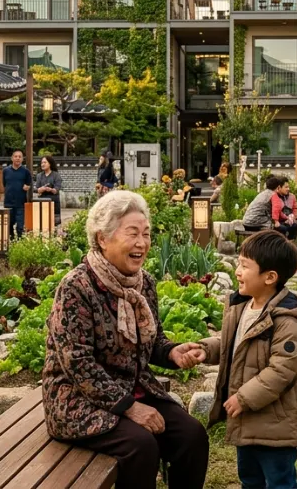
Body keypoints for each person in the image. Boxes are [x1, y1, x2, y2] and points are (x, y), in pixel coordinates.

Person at [42, 191, 209, 489]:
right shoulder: (76, 287)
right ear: (103, 238)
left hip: (133, 390)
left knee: (192, 436)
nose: (142, 243)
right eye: (132, 233)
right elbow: (77, 364)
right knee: (141, 447)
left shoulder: (144, 284)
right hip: (77, 400)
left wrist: (172, 353)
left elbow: (153, 340)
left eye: (146, 234)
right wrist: (129, 407)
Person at [193, 231, 297, 489]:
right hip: (247, 420)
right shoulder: (243, 306)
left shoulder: (288, 322)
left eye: (245, 266)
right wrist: (206, 350)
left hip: (275, 424)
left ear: (270, 277)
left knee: (279, 480)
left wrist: (244, 397)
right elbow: (233, 344)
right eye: (238, 263)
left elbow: (281, 371)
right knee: (249, 478)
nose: (237, 271)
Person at [3, 150, 33, 237]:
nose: (17, 158)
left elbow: (29, 184)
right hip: (8, 203)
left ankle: (20, 243)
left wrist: (27, 187)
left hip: (21, 203)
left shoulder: (26, 171)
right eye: (16, 156)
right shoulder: (6, 171)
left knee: (20, 226)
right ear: (12, 158)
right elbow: (4, 184)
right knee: (9, 225)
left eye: (20, 157)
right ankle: (12, 242)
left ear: (22, 159)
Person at [35, 155, 63, 227]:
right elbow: (36, 189)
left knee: (54, 224)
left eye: (45, 162)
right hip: (42, 201)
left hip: (53, 202)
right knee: (42, 222)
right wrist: (40, 189)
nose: (43, 164)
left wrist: (50, 189)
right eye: (42, 163)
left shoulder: (56, 175)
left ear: (50, 164)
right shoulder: (39, 176)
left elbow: (57, 189)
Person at [270, 177, 297, 241]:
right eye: (286, 187)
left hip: (289, 220)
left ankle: (290, 244)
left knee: (294, 227)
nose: (288, 189)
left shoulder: (292, 196)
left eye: (288, 187)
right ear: (279, 187)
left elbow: (295, 208)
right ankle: (281, 245)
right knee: (282, 228)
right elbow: (275, 209)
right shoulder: (275, 196)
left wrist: (293, 218)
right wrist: (276, 221)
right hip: (278, 221)